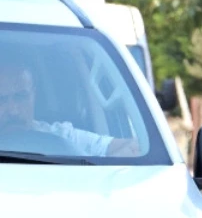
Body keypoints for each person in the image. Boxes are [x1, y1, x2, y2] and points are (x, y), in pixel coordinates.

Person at [0, 61, 139, 157]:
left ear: (34, 94)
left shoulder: (61, 136)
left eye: (21, 97)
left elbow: (135, 147)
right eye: (2, 99)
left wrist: (95, 170)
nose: (13, 110)